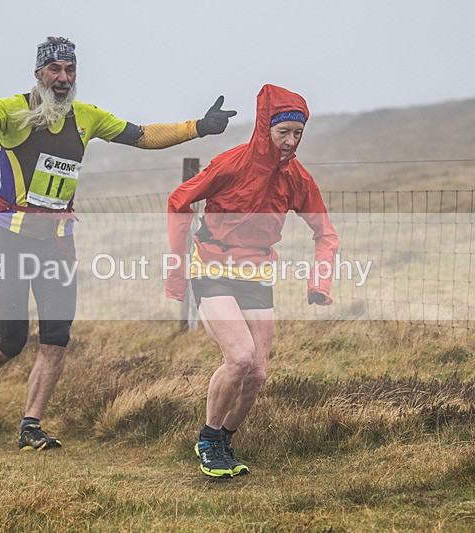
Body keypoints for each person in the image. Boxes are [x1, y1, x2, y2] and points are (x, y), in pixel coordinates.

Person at [0, 36, 236, 450]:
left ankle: (31, 425)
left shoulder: (87, 116)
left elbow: (142, 135)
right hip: (9, 242)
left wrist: (199, 128)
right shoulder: (12, 109)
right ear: (38, 75)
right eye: (54, 70)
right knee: (12, 340)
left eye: (70, 70)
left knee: (56, 338)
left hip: (58, 245)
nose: (63, 78)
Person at [166, 84, 339, 477]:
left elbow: (326, 234)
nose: (291, 142)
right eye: (284, 133)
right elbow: (179, 201)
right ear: (266, 130)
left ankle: (225, 440)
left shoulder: (298, 178)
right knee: (239, 357)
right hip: (211, 267)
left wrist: (320, 281)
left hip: (256, 272)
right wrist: (177, 271)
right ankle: (207, 441)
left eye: (298, 134)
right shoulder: (231, 164)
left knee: (257, 372)